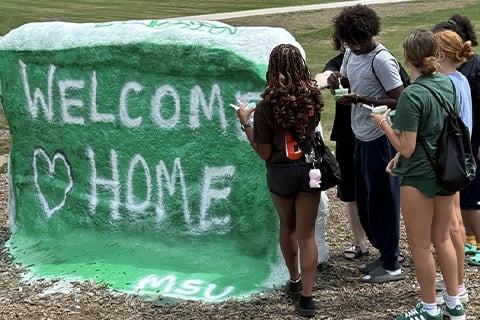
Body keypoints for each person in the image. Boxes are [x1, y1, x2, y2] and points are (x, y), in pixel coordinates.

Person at [371, 28, 466, 320]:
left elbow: (408, 146)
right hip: (446, 172)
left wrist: (383, 125)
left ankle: (429, 309)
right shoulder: (448, 84)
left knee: (421, 246)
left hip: (420, 177)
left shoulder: (413, 95)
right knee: (443, 239)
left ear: (407, 58)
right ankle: (454, 303)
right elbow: (436, 129)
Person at [236, 43, 324, 318]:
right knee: (307, 234)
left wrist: (245, 124)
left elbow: (263, 152)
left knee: (288, 226)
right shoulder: (313, 99)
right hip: (309, 169)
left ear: (272, 70)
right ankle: (307, 299)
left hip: (281, 172)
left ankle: (294, 280)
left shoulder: (265, 107)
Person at [326, 4, 405, 283]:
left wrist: (361, 99)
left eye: (355, 42)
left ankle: (392, 264)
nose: (351, 46)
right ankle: (384, 254)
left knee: (384, 201)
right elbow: (346, 78)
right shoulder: (350, 51)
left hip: (380, 138)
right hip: (359, 134)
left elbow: (400, 98)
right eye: (347, 41)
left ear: (367, 35)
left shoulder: (381, 60)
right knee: (366, 202)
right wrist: (337, 81)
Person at [432, 28, 475, 306]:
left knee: (451, 226)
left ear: (440, 54)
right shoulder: (461, 79)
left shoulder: (447, 82)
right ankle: (456, 281)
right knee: (455, 223)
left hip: (450, 159)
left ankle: (457, 285)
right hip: (460, 156)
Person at [315, 37, 369, 260]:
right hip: (347, 134)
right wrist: (314, 84)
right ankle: (360, 243)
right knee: (351, 191)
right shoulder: (340, 61)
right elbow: (324, 76)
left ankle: (388, 246)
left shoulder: (380, 59)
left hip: (376, 133)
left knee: (380, 190)